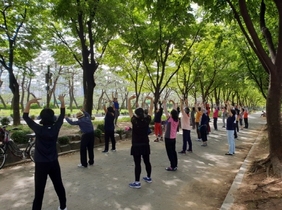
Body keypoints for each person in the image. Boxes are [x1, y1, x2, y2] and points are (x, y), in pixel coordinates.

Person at [23, 95, 67, 210]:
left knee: (39, 190)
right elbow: (62, 115)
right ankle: (63, 207)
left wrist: (29, 103)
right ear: (53, 118)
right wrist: (62, 102)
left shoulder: (39, 129)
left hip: (41, 164)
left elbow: (25, 117)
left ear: (42, 118)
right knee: (59, 185)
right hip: (53, 162)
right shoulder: (55, 128)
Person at [128, 95, 153, 189]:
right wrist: (151, 100)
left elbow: (129, 109)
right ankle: (149, 177)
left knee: (137, 163)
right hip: (145, 144)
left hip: (136, 145)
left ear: (136, 114)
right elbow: (151, 110)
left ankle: (137, 182)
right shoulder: (147, 120)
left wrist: (129, 100)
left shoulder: (134, 121)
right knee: (147, 161)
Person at [163, 99, 179, 171]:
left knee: (170, 152)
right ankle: (175, 165)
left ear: (171, 114)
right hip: (173, 138)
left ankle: (172, 166)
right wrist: (173, 103)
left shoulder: (170, 119)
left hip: (168, 138)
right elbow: (175, 110)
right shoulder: (176, 119)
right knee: (173, 151)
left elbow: (165, 111)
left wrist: (164, 104)